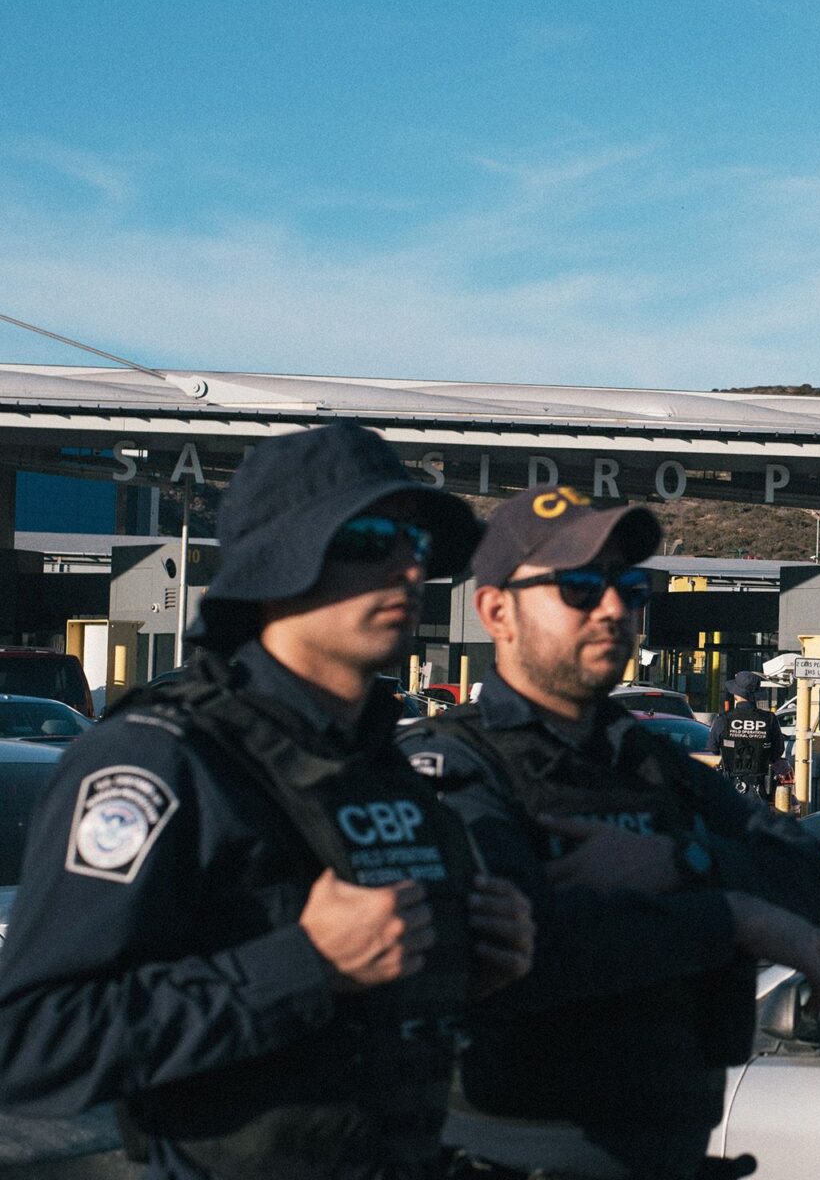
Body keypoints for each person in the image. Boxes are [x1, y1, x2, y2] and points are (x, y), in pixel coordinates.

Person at [0, 422, 536, 1180]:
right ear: (276, 564)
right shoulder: (159, 759)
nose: (409, 567)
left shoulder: (383, 764)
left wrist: (466, 969)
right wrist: (304, 964)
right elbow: (30, 1043)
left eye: (417, 542)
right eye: (370, 538)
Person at [399, 485, 820, 1180]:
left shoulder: (657, 765)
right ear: (496, 612)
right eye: (579, 587)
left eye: (629, 588)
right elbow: (514, 954)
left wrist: (682, 861)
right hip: (510, 1157)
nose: (613, 608)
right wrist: (730, 916)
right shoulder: (451, 765)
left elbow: (817, 885)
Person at [707, 671, 784, 801]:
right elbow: (778, 752)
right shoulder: (769, 719)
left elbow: (712, 749)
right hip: (760, 789)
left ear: (736, 694)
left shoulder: (724, 719)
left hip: (729, 789)